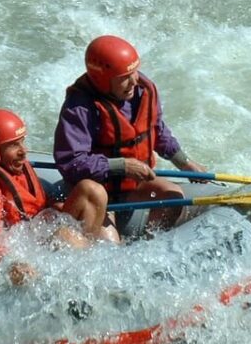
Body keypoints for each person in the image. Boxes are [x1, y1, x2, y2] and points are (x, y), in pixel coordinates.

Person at [52, 35, 206, 243]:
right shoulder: (79, 107)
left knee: (173, 197)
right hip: (98, 193)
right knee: (109, 244)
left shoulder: (142, 90)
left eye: (134, 72)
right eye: (124, 77)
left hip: (133, 186)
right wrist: (122, 166)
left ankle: (147, 247)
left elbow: (157, 130)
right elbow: (71, 162)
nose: (134, 80)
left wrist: (184, 163)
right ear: (102, 80)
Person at [0, 109, 88, 286]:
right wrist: (9, 263)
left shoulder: (16, 168)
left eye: (22, 142)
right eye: (13, 145)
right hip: (16, 258)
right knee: (67, 236)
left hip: (31, 237)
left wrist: (56, 207)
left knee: (86, 201)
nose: (24, 151)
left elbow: (33, 204)